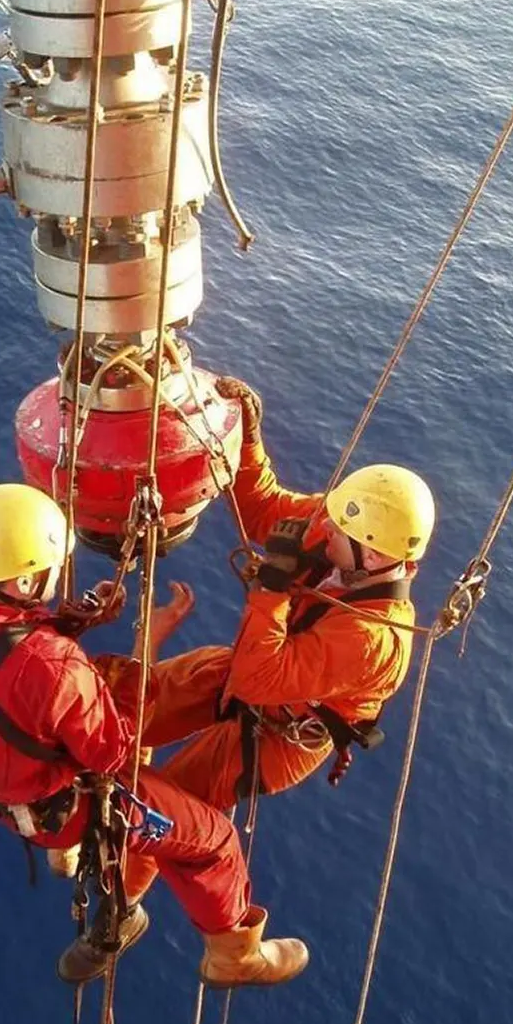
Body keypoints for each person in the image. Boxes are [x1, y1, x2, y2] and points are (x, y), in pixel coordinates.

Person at [0, 482, 308, 988]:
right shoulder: (53, 666)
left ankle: (90, 882)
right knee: (212, 840)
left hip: (2, 789)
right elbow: (114, 752)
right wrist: (146, 645)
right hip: (65, 807)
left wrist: (78, 618)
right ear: (27, 582)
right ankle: (234, 957)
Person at [96, 379, 435, 907]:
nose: (325, 525)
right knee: (114, 708)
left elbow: (264, 677)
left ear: (374, 556)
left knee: (159, 809)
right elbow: (261, 507)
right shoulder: (342, 533)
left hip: (280, 735)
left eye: (340, 527)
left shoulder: (373, 638)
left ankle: (120, 910)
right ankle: (70, 780)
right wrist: (250, 435)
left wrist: (271, 592)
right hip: (245, 673)